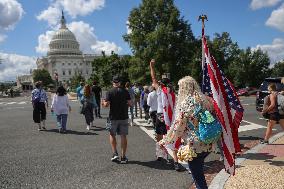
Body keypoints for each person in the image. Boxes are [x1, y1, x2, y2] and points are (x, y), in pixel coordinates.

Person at [161, 76, 215, 189]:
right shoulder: (205, 100)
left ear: (184, 88)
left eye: (180, 87)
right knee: (199, 172)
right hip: (208, 141)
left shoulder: (186, 103)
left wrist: (167, 140)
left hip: (194, 145)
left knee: (198, 177)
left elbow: (179, 126)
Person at [149, 59, 182, 171]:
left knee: (159, 135)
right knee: (172, 137)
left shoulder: (159, 90)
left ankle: (160, 154)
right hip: (172, 117)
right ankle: (176, 161)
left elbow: (153, 78)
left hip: (160, 115)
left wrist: (151, 66)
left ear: (161, 83)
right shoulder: (173, 92)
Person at [102, 76, 131, 164]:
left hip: (113, 117)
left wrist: (103, 103)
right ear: (120, 82)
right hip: (124, 116)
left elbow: (106, 105)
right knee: (123, 136)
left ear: (113, 82)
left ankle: (115, 153)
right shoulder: (125, 91)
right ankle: (123, 157)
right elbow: (130, 103)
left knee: (112, 134)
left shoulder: (110, 92)